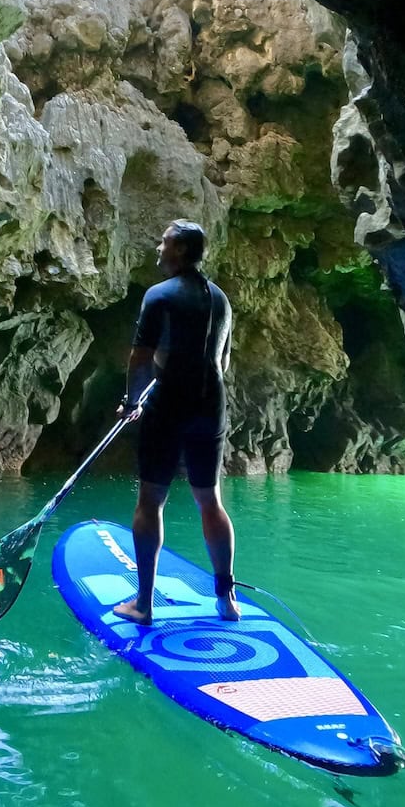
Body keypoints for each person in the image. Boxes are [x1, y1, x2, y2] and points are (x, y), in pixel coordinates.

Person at [114, 219, 239, 624]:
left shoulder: (159, 296)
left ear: (181, 251)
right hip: (211, 403)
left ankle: (144, 605)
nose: (158, 247)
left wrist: (131, 401)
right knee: (210, 500)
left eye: (164, 241)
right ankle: (226, 600)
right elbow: (222, 363)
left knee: (151, 500)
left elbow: (139, 357)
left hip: (169, 405)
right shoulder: (221, 299)